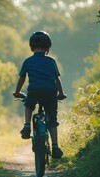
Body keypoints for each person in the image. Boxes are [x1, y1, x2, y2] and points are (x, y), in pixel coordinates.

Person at [13, 31, 67, 159]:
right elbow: (56, 79)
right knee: (52, 120)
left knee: (29, 105)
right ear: (48, 48)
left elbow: (22, 78)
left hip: (34, 90)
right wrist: (60, 93)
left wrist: (17, 92)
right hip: (50, 92)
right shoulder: (51, 61)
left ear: (31, 47)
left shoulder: (28, 61)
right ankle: (55, 146)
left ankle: (27, 126)